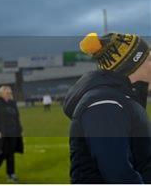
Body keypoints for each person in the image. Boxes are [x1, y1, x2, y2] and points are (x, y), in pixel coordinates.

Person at [63, 32, 151, 183]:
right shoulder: (105, 103)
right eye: (149, 58)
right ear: (133, 64)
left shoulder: (121, 99)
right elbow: (118, 174)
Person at [0, 85, 23, 182]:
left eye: (10, 93)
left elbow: (16, 118)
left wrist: (20, 130)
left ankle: (11, 174)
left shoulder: (12, 103)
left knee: (10, 153)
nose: (9, 94)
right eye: (7, 93)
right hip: (2, 132)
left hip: (13, 132)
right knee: (3, 153)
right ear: (1, 93)